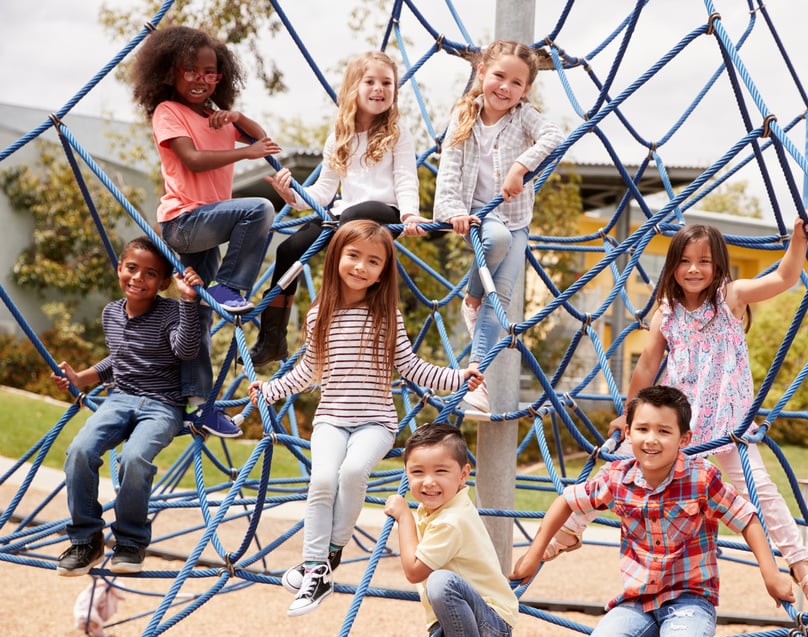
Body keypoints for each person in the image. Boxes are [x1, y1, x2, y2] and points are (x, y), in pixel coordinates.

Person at [546, 215, 808, 603]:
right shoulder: (666, 312)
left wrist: (798, 239)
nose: (694, 269)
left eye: (704, 261)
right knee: (617, 463)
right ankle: (571, 528)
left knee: (762, 493)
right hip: (676, 428)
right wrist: (631, 415)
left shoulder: (730, 297)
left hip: (731, 427)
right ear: (673, 266)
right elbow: (647, 365)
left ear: (718, 267)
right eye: (685, 261)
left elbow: (784, 278)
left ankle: (802, 567)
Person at [511, 386, 795, 637]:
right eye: (643, 429)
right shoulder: (617, 478)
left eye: (664, 431)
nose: (651, 440)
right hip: (638, 600)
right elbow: (565, 501)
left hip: (691, 598)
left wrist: (770, 574)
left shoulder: (701, 477)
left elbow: (747, 518)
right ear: (628, 432)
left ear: (684, 439)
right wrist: (533, 555)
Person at [248, 221, 483, 617]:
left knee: (353, 472)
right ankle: (313, 565)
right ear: (336, 257)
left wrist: (457, 377)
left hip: (376, 421)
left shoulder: (387, 316)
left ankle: (329, 555)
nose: (361, 267)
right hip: (332, 418)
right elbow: (308, 369)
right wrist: (269, 390)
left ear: (383, 271)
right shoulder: (319, 314)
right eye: (353, 256)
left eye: (373, 261)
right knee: (323, 479)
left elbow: (411, 367)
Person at [131, 24, 281, 438]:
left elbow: (263, 138)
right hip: (183, 221)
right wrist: (246, 152)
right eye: (191, 71)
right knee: (260, 209)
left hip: (208, 226)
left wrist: (237, 118)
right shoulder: (168, 112)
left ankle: (198, 405)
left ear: (222, 76)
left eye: (211, 72)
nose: (201, 79)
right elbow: (193, 160)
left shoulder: (215, 118)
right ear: (170, 72)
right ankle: (230, 285)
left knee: (193, 316)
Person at [252, 50, 428, 368]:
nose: (379, 89)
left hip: (385, 213)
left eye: (387, 83)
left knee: (346, 221)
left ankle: (325, 311)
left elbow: (405, 179)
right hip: (342, 215)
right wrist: (292, 195)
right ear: (353, 88)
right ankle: (273, 335)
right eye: (370, 81)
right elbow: (323, 192)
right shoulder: (339, 137)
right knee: (289, 248)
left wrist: (410, 215)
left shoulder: (397, 133)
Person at [54, 237, 202, 576]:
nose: (138, 278)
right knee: (79, 450)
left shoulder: (171, 311)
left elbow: (186, 351)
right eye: (131, 268)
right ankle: (86, 540)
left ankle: (131, 542)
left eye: (150, 274)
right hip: (119, 399)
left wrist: (188, 302)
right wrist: (80, 377)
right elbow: (117, 360)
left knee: (133, 458)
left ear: (164, 283)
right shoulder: (111, 313)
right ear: (119, 269)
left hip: (163, 406)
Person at [433, 39, 564, 412]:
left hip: (516, 216)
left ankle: (477, 380)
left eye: (517, 83)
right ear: (481, 73)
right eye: (499, 76)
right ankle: (472, 296)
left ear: (526, 89)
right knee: (495, 240)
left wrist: (520, 166)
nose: (505, 87)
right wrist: (452, 211)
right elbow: (449, 172)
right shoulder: (464, 116)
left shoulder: (524, 116)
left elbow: (554, 136)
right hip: (478, 214)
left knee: (499, 298)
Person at [384, 422, 518, 637]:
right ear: (406, 474)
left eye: (441, 471)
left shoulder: (450, 520)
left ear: (464, 474)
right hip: (456, 627)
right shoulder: (442, 508)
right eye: (417, 472)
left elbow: (414, 570)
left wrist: (403, 516)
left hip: (488, 626)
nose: (428, 482)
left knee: (440, 581)